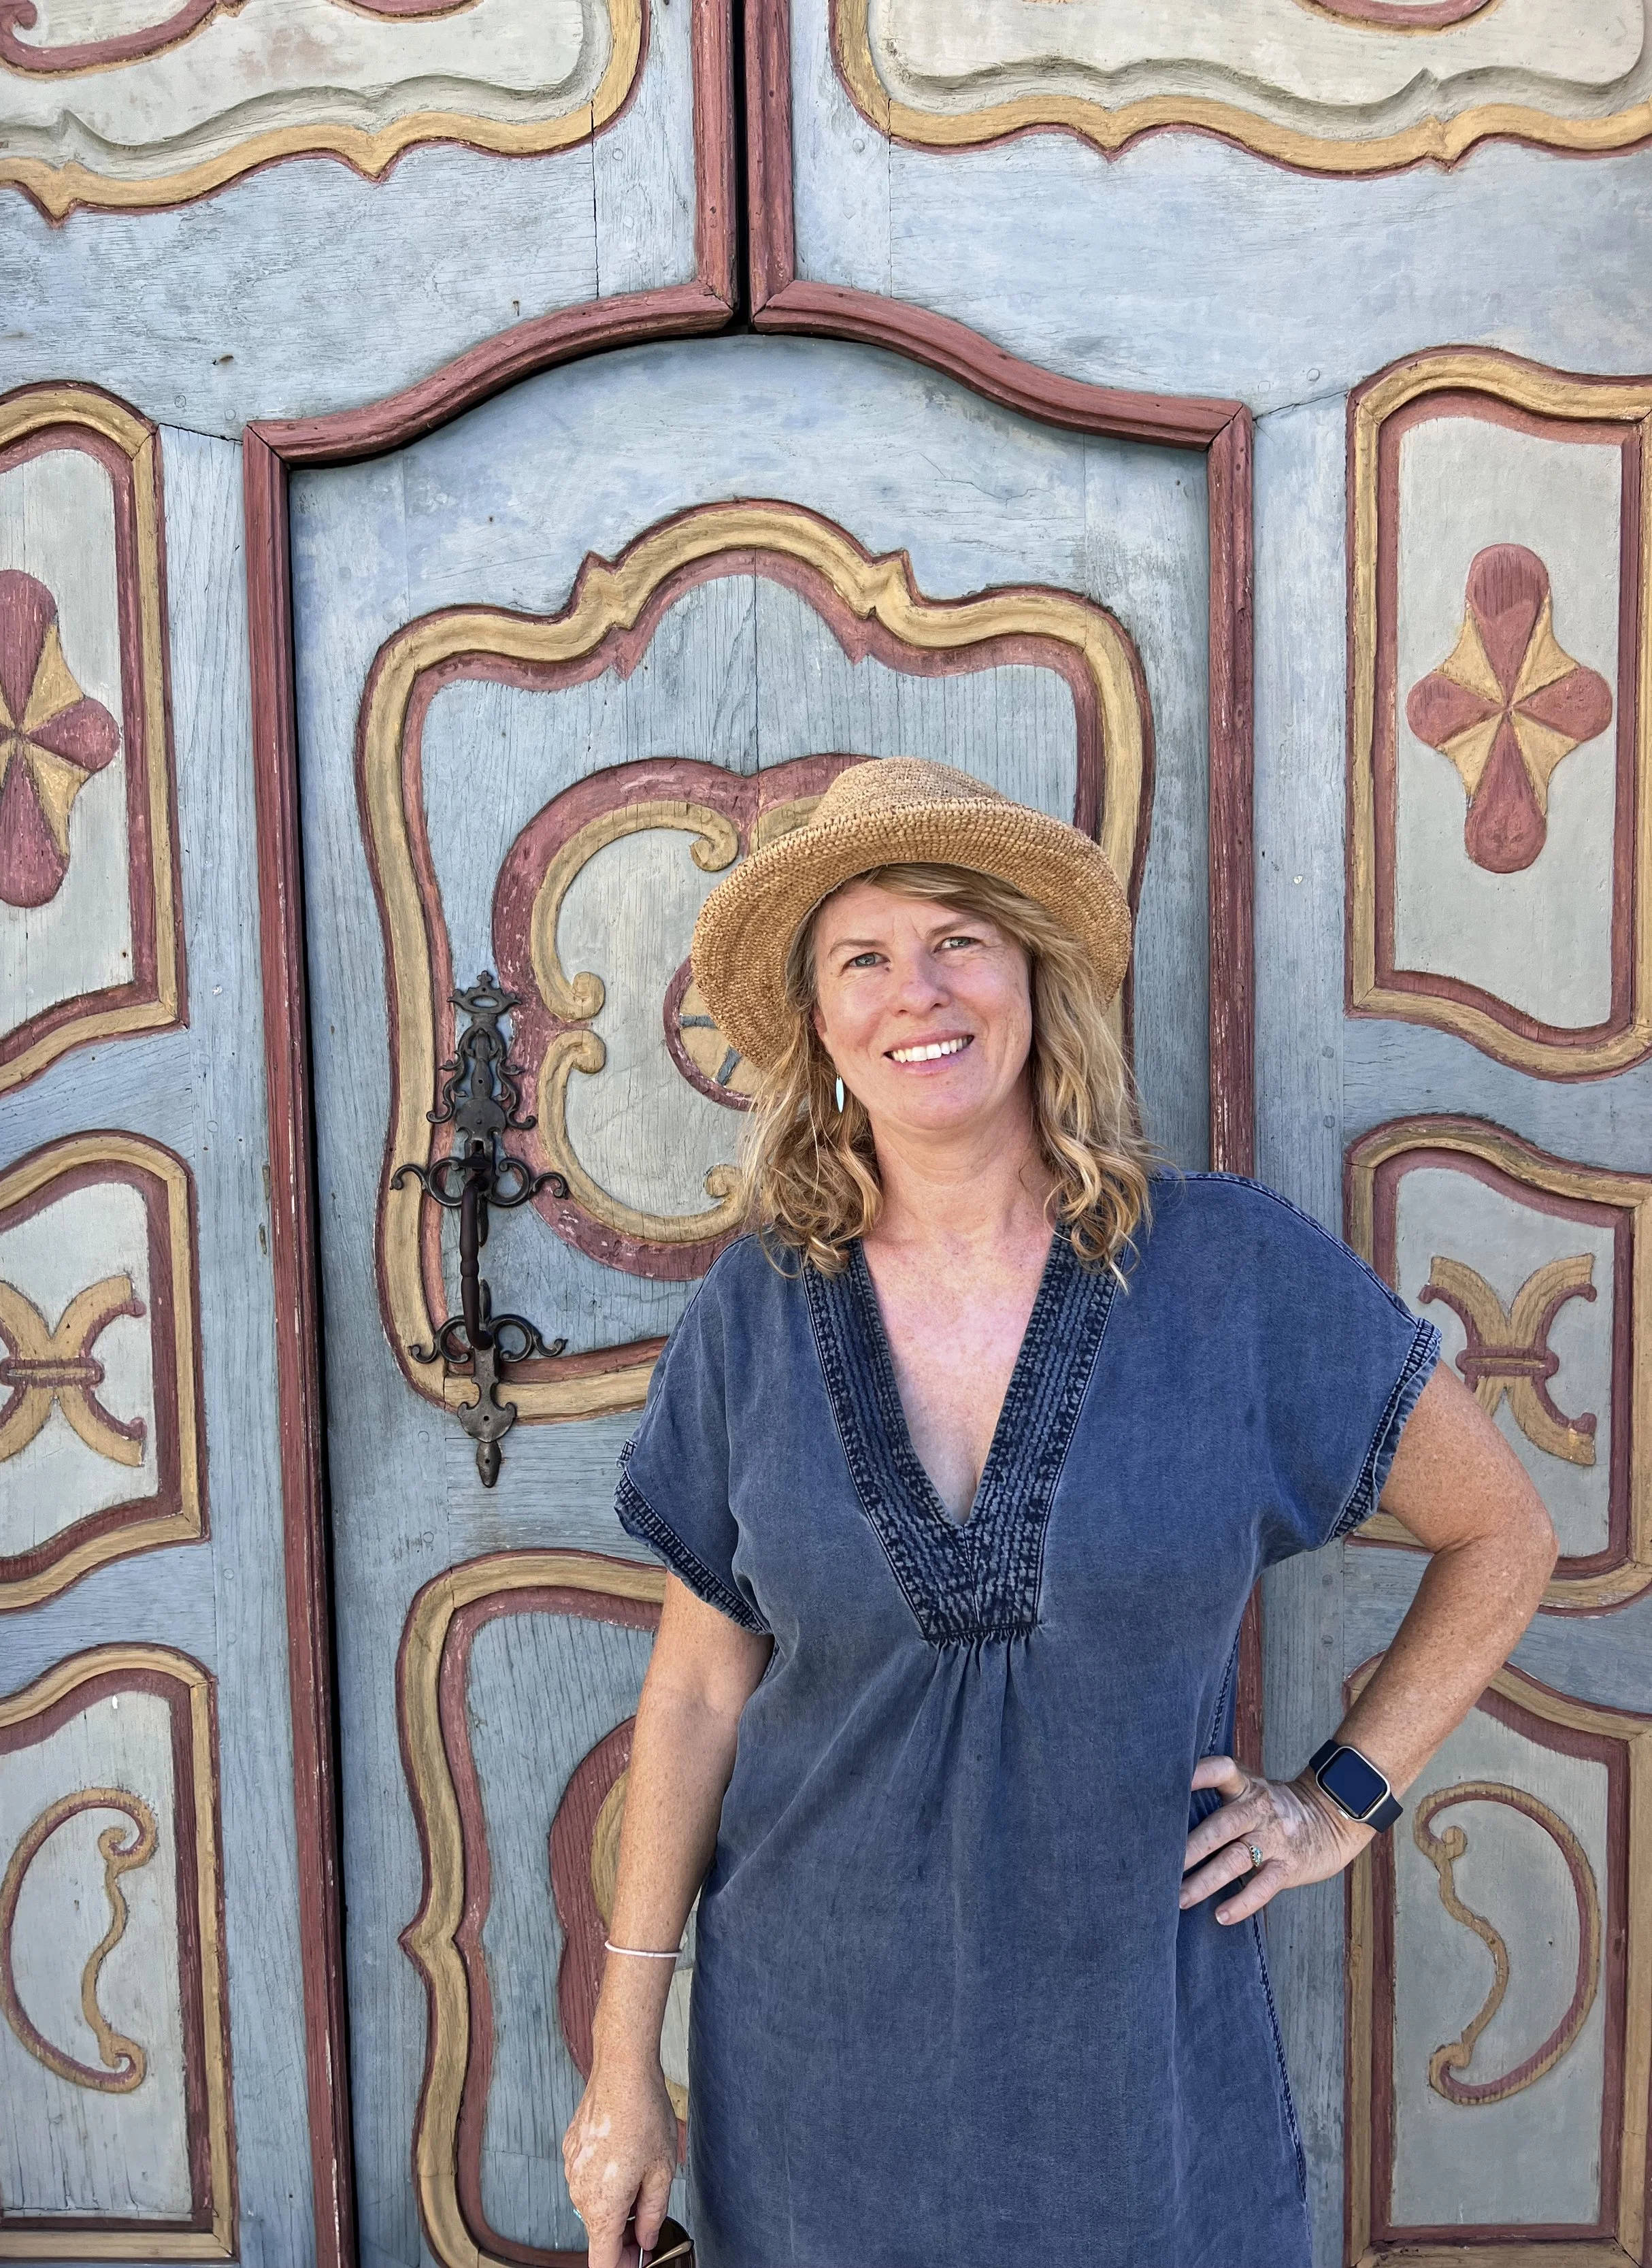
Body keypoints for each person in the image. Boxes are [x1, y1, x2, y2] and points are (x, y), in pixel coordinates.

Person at [562, 758, 1557, 2268]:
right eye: (863, 956)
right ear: (821, 1024)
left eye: (959, 936)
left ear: (1031, 974)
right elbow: (698, 1688)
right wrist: (621, 2064)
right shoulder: (757, 1311)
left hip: (1134, 2075)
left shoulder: (1225, 1276)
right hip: (816, 2071)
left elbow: (1502, 1533)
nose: (918, 989)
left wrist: (1333, 1804)